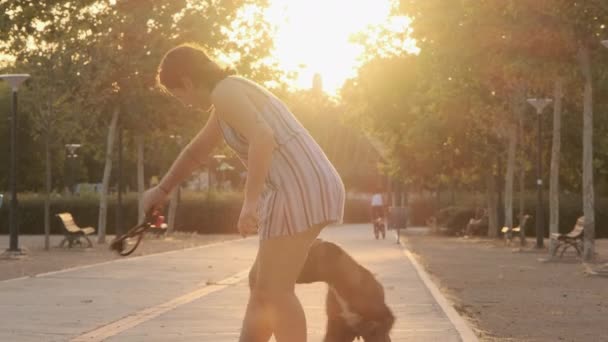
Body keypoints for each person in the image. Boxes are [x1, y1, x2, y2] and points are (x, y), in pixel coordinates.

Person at [141, 44, 345, 342]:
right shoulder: (225, 100)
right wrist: (162, 189)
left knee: (275, 290)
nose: (183, 103)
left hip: (299, 187)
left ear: (186, 82)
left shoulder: (225, 92)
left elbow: (263, 137)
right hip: (302, 185)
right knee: (260, 284)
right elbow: (196, 152)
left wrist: (250, 203)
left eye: (178, 95)